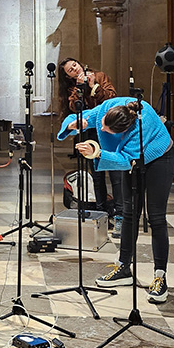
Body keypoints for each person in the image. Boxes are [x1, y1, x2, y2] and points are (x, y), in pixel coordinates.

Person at [58, 98, 174, 303]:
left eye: (107, 130)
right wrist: (74, 123)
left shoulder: (140, 127)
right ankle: (123, 267)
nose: (101, 128)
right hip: (133, 158)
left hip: (159, 157)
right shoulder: (109, 108)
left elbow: (126, 159)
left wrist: (98, 152)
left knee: (156, 217)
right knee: (129, 213)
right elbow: (85, 116)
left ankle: (160, 277)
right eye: (102, 122)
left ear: (123, 131)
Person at [57, 57, 123, 228]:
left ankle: (119, 215)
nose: (75, 69)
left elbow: (111, 97)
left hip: (109, 130)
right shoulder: (74, 88)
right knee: (97, 174)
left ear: (80, 64)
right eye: (70, 70)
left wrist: (94, 86)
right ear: (68, 77)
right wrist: (80, 89)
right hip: (90, 132)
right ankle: (101, 214)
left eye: (75, 65)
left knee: (116, 173)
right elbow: (74, 107)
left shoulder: (100, 76)